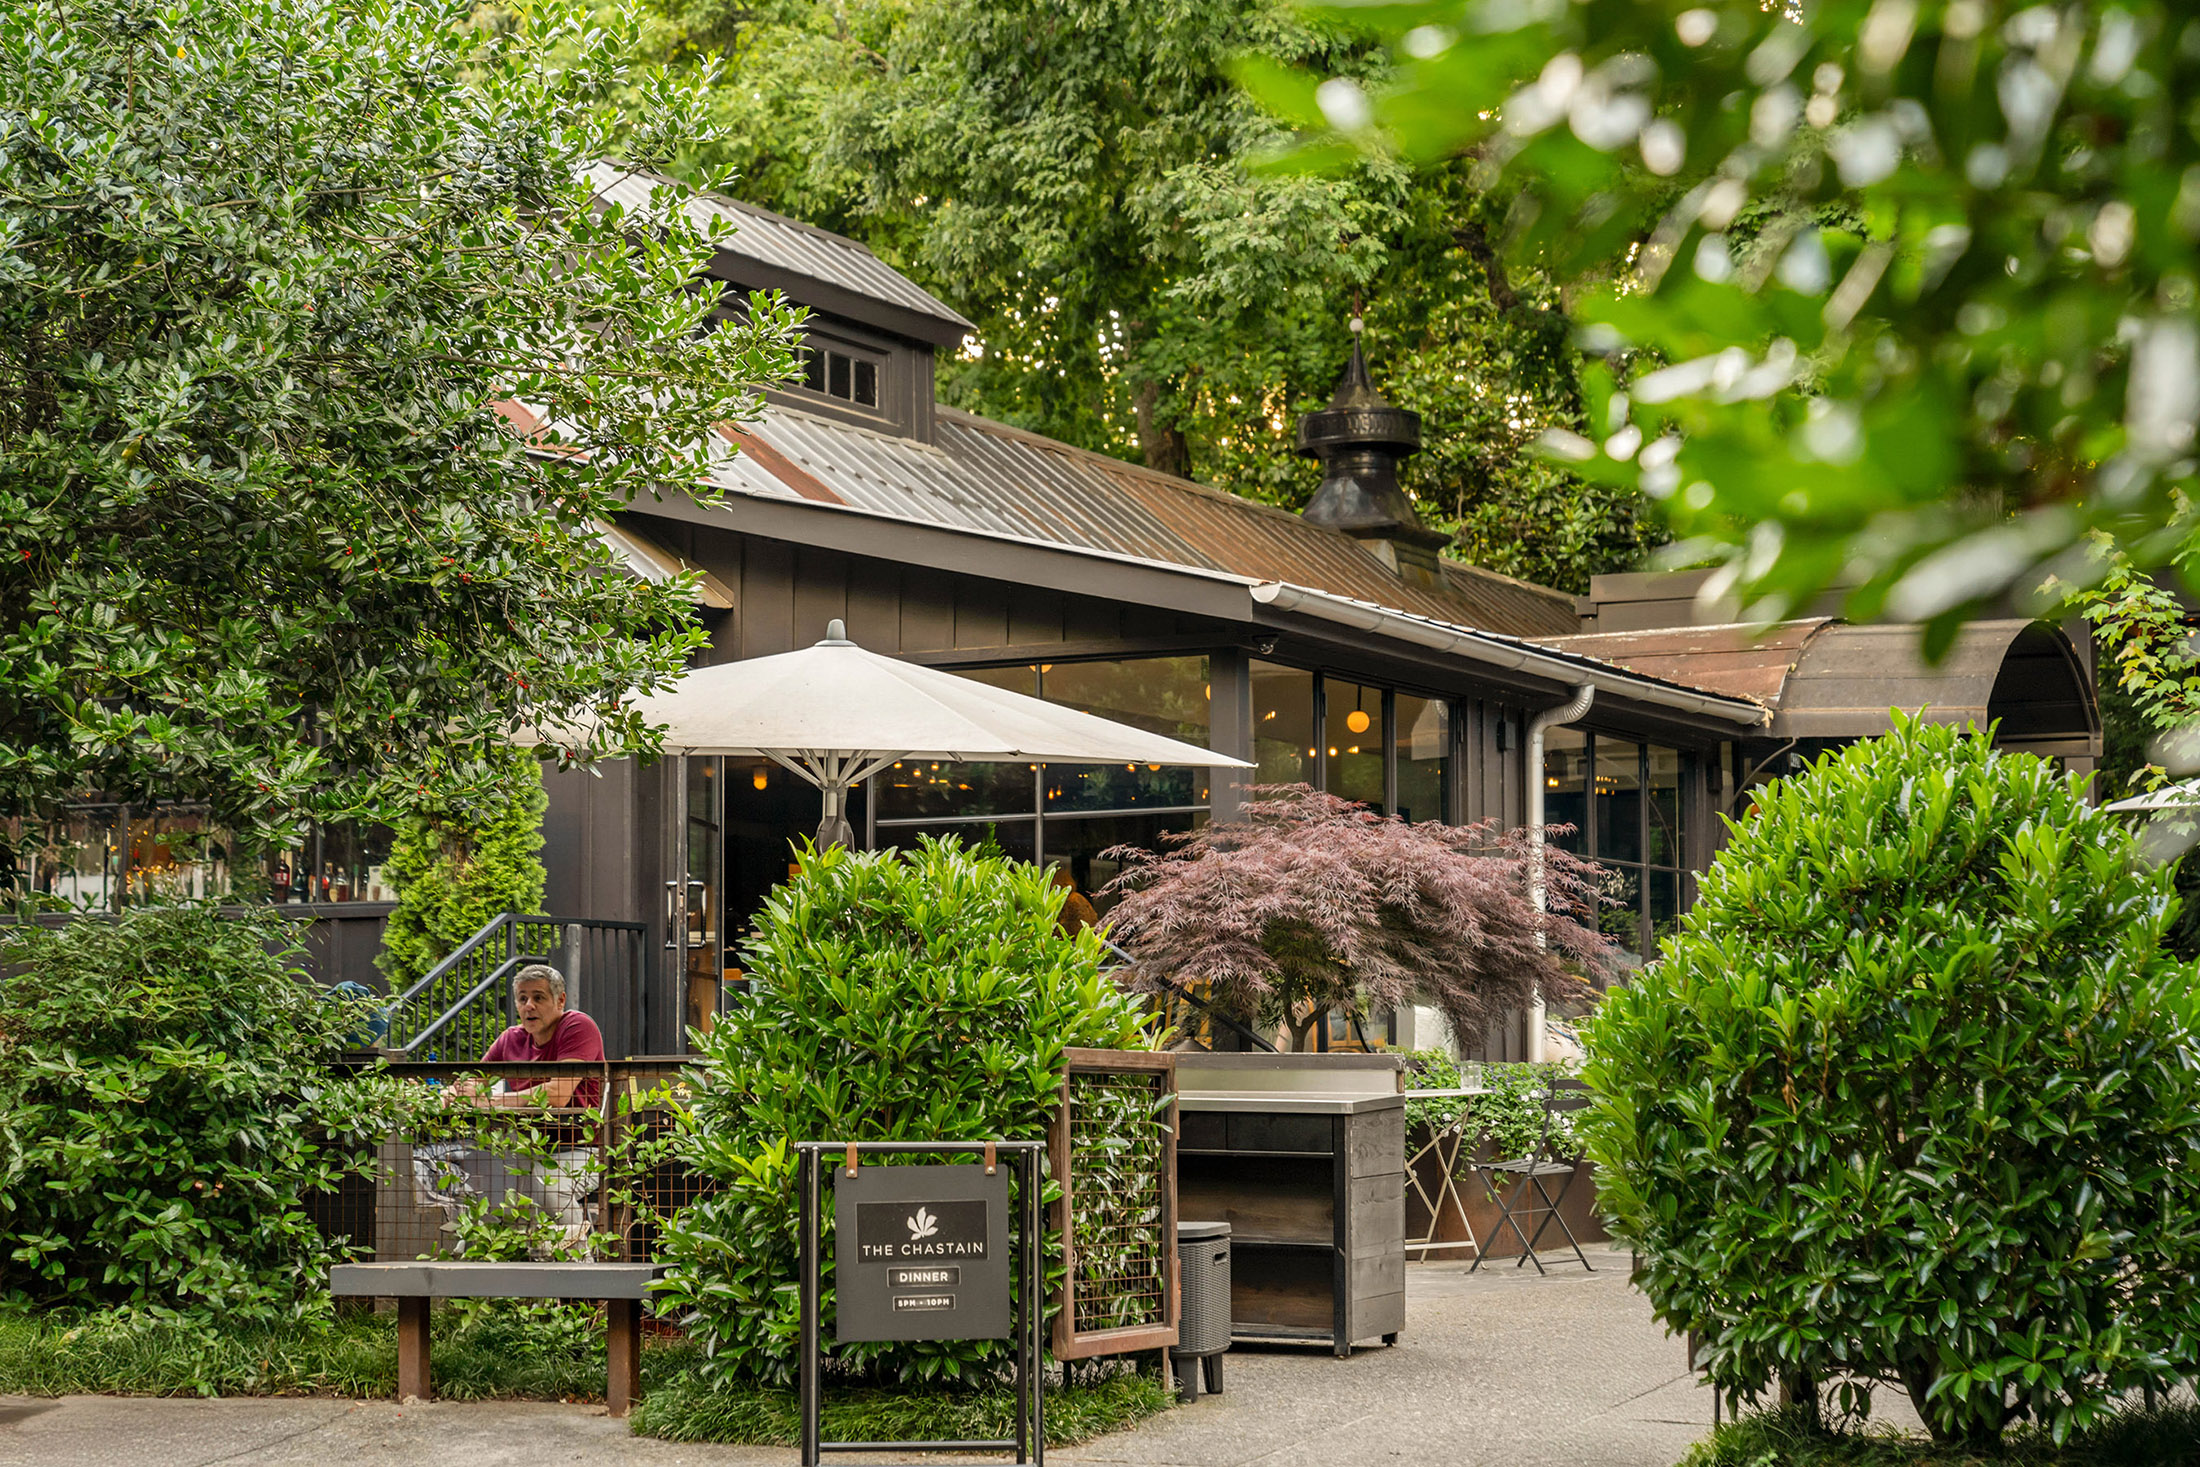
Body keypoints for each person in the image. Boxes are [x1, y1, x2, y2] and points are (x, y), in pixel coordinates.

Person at [462, 964, 605, 1240]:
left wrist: (489, 1101)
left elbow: (557, 1094)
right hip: (529, 1149)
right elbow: (469, 1083)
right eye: (522, 998)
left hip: (585, 1149)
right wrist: (442, 1097)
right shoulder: (511, 1039)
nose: (529, 1006)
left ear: (560, 1000)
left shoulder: (577, 1026)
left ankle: (580, 1263)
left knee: (547, 1185)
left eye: (538, 997)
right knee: (481, 1177)